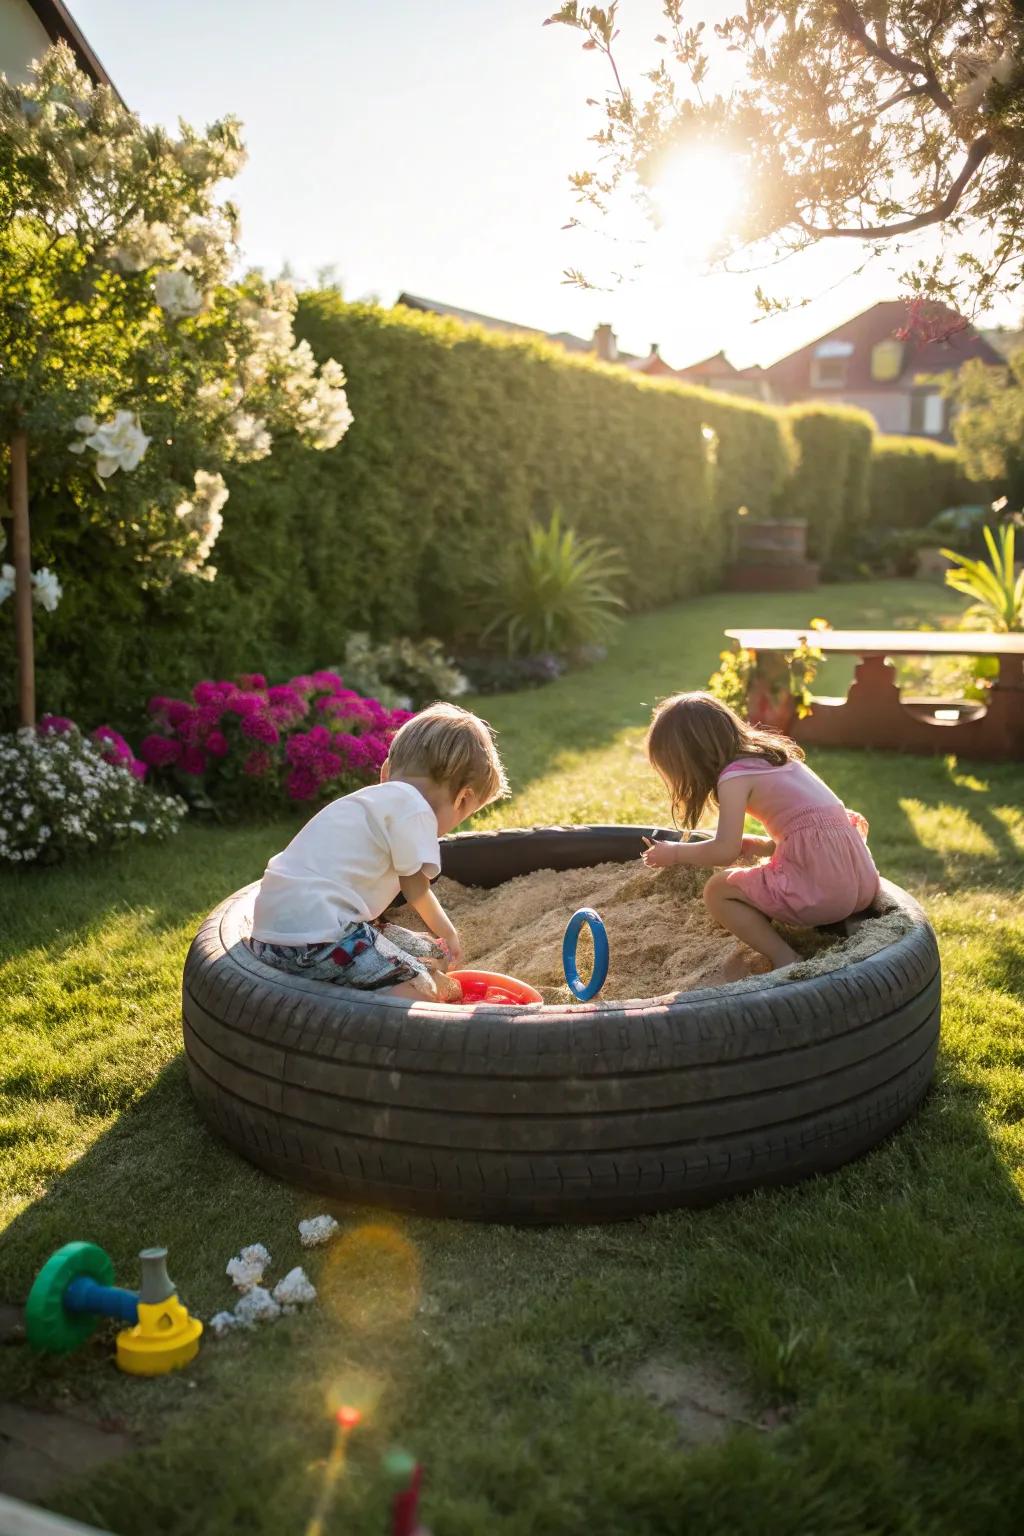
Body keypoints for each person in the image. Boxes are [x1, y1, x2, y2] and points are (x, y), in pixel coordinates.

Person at [249, 702, 508, 998]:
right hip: (317, 943)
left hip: (272, 939)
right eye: (464, 815)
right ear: (462, 798)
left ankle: (413, 969)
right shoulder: (416, 811)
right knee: (424, 989)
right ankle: (421, 990)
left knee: (431, 953)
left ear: (386, 772)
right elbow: (416, 892)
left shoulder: (369, 802)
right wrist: (448, 932)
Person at [642, 691, 879, 969]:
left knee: (717, 891)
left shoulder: (733, 777)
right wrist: (766, 846)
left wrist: (675, 853)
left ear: (690, 760)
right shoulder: (775, 756)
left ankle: (785, 958)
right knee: (758, 871)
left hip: (824, 893)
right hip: (862, 882)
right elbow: (812, 828)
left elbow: (724, 851)